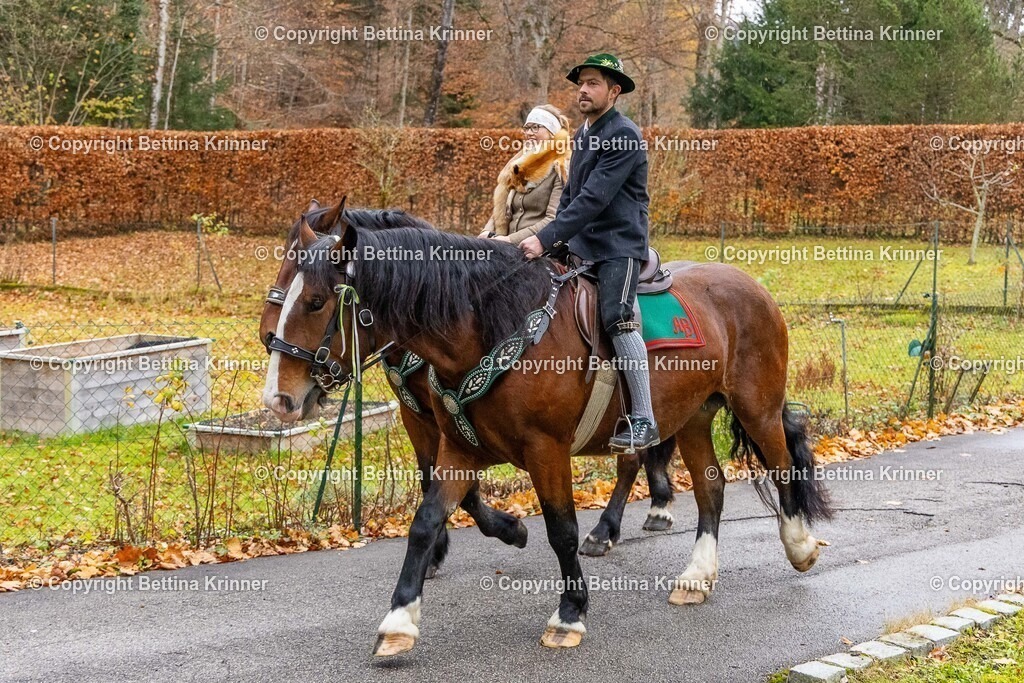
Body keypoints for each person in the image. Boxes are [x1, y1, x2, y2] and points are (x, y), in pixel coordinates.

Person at [519, 53, 659, 451]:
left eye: (593, 83)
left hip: (619, 246)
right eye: (581, 83)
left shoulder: (624, 135)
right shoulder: (583, 135)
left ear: (613, 92)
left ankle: (644, 419)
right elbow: (571, 198)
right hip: (580, 244)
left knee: (617, 318)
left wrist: (543, 238)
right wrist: (552, 243)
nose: (583, 89)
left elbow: (594, 199)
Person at [479, 105, 571, 246]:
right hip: (505, 246)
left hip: (539, 249)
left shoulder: (561, 168)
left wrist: (511, 240)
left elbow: (553, 219)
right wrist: (487, 231)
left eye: (535, 127)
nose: (529, 133)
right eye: (527, 128)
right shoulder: (518, 165)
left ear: (552, 132)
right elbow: (501, 209)